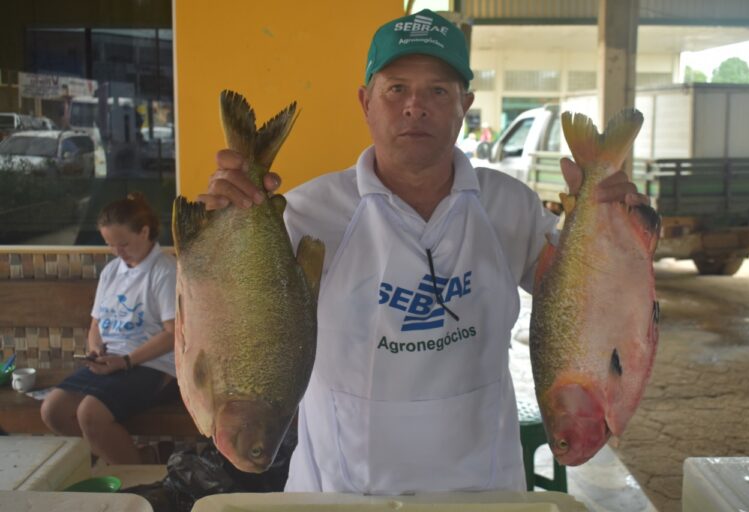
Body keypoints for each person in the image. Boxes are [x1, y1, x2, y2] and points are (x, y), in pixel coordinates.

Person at [199, 9, 648, 494]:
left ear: (464, 105)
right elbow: (231, 323)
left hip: (484, 495)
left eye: (438, 91)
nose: (415, 106)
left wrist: (618, 231)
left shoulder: (509, 205)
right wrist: (219, 228)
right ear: (365, 101)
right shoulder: (306, 211)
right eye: (396, 89)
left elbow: (587, 310)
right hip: (340, 496)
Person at [41, 193, 178, 465]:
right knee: (53, 409)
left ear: (144, 232)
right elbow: (96, 323)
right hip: (111, 361)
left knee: (89, 414)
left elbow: (173, 334)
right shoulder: (112, 271)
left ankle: (133, 477)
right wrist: (95, 350)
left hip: (152, 365)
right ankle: (137, 459)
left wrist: (126, 361)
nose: (117, 252)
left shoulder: (165, 270)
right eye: (110, 245)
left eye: (123, 244)